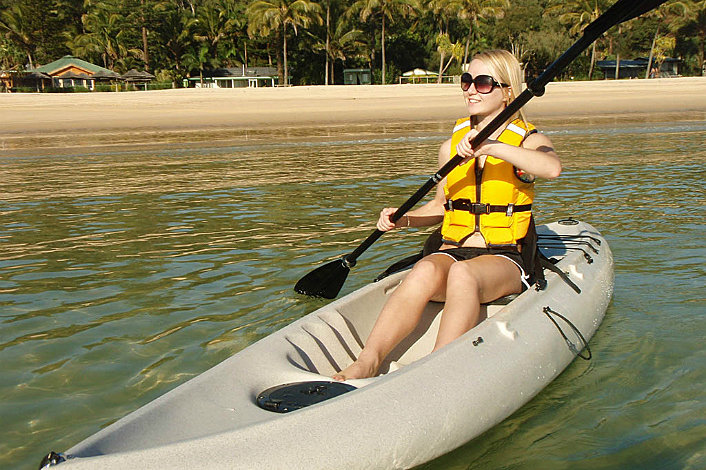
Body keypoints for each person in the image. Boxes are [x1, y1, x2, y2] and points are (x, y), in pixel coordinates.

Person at [333, 50, 561, 381]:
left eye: (483, 83)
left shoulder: (529, 140)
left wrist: (490, 146)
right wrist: (404, 219)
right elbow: (442, 205)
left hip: (506, 256)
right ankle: (368, 361)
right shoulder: (450, 147)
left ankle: (435, 368)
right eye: (466, 81)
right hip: (453, 248)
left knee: (463, 275)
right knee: (424, 268)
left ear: (507, 91)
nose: (471, 89)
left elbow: (551, 168)